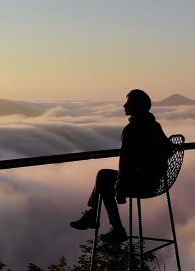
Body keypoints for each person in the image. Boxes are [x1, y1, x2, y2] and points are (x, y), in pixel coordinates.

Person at [70, 89, 169, 243]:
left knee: (103, 177)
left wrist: (121, 184)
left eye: (128, 102)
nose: (124, 105)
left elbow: (126, 162)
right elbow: (168, 149)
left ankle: (111, 226)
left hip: (142, 183)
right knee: (104, 179)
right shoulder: (154, 125)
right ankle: (96, 216)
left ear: (138, 106)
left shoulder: (132, 130)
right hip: (155, 181)